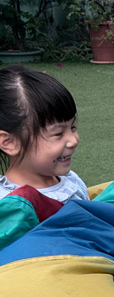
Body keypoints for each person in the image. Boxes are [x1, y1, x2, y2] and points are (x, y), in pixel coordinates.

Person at [0, 65, 88, 203]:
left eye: (73, 127)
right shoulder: (7, 204)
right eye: (58, 133)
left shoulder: (72, 181)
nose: (74, 140)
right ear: (9, 143)